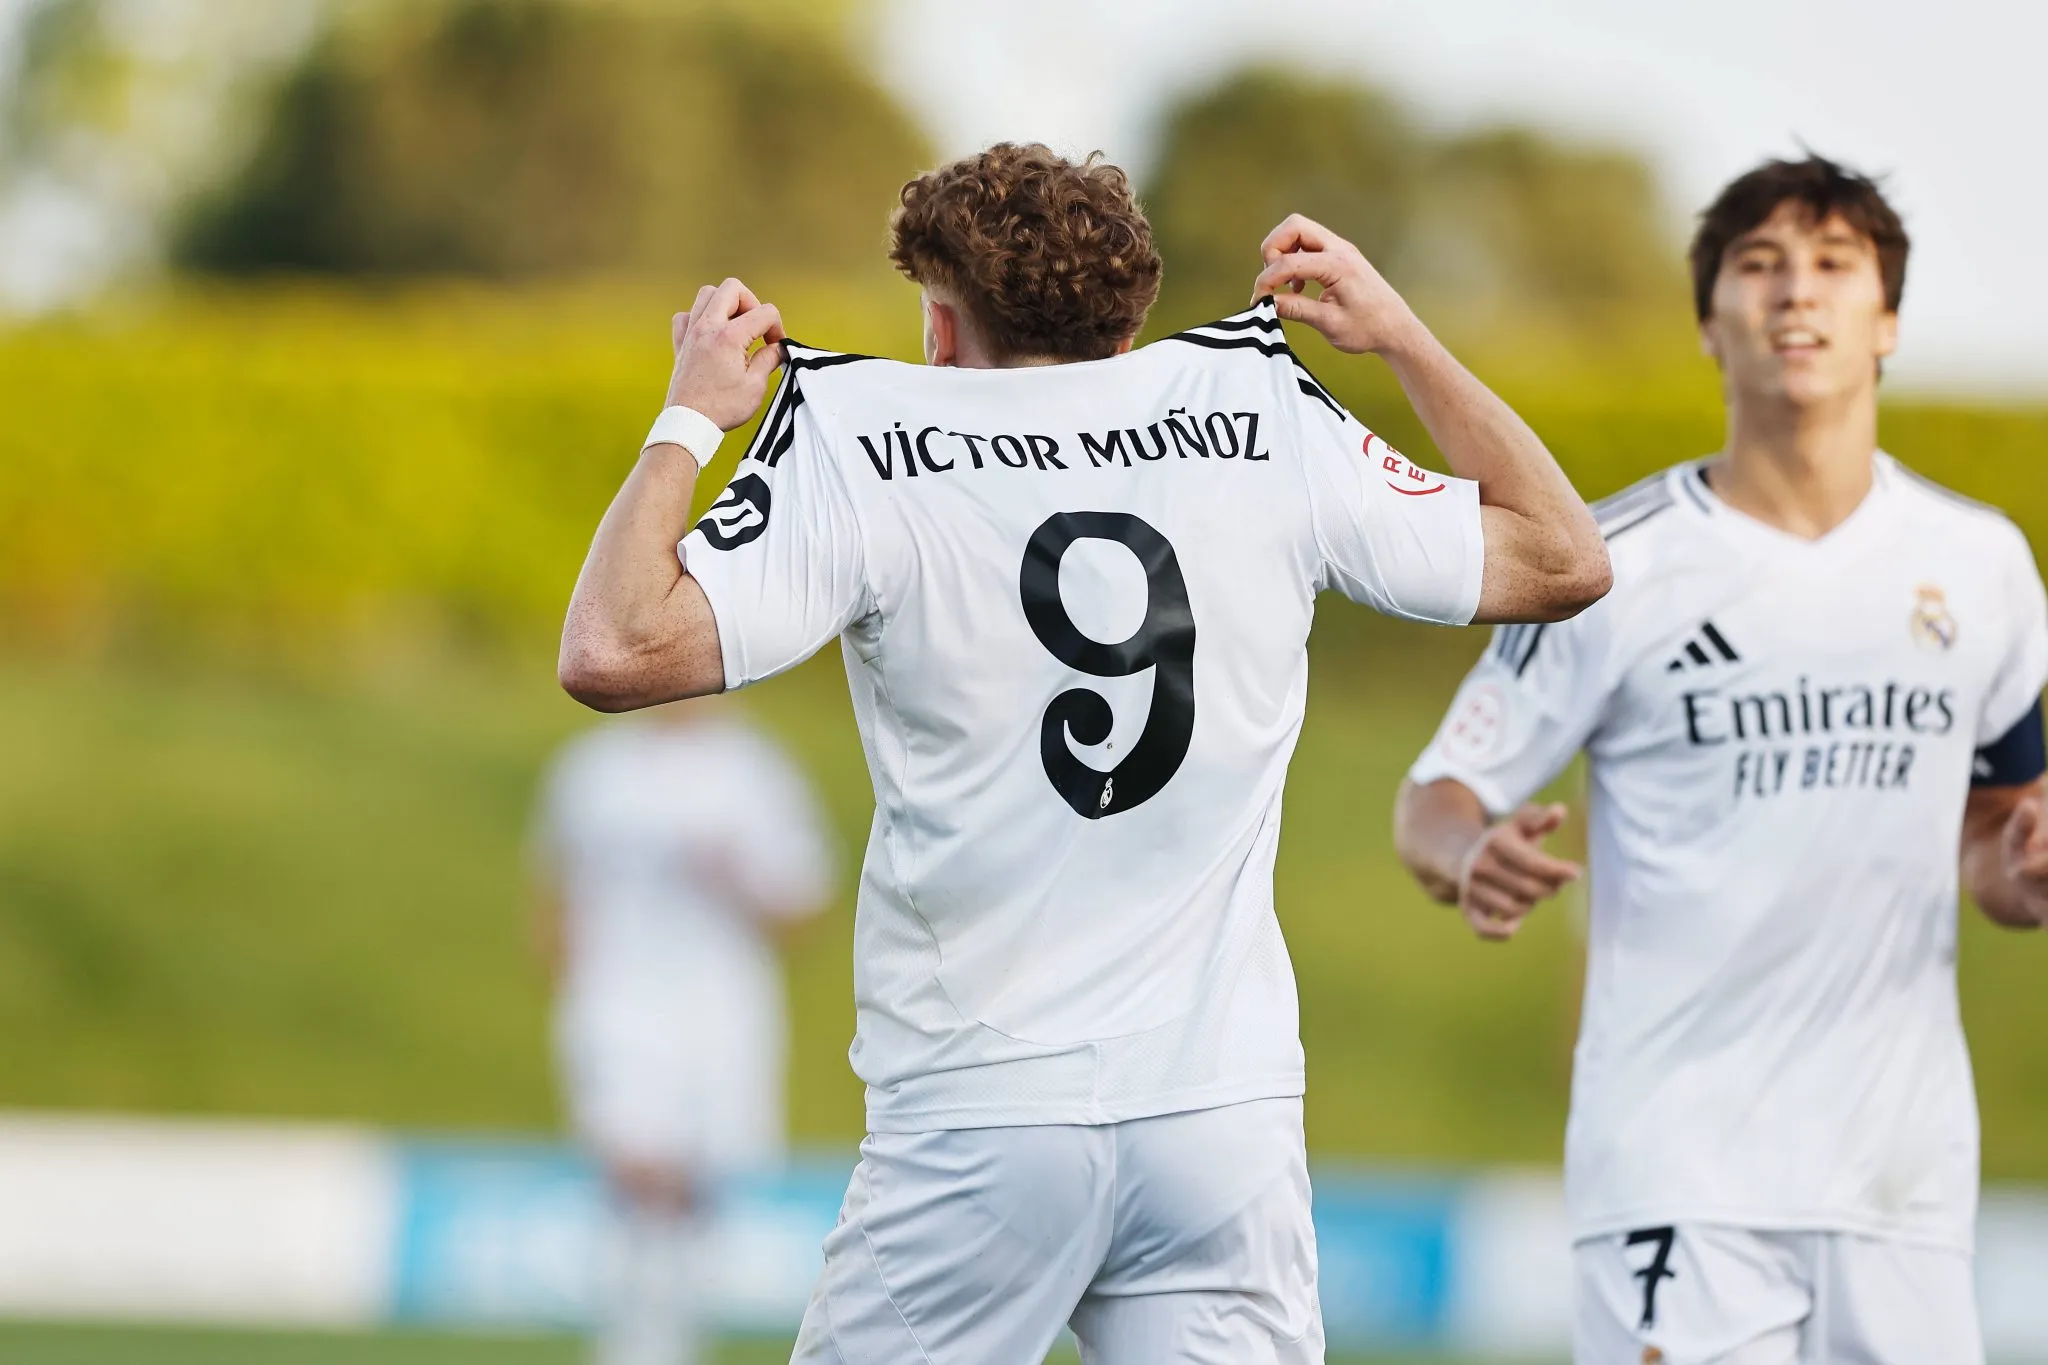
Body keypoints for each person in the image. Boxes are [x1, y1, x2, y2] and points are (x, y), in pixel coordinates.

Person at [559, 142, 1610, 1364]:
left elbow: (613, 648)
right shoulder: (1257, 410)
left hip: (981, 1116)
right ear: (1124, 332)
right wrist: (1402, 338)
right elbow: (1562, 558)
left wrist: (689, 414)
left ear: (940, 328)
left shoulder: (865, 438)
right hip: (1218, 1123)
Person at [1395, 155, 2048, 1363]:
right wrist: (1467, 854)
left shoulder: (1982, 563)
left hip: (1900, 1191)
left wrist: (2023, 868)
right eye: (1757, 265)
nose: (1794, 291)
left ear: (1886, 320)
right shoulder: (1610, 562)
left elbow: (1993, 840)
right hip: (1677, 1178)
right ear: (1709, 322)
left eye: (1832, 264)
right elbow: (1433, 798)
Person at [531, 698, 836, 1365]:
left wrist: (737, 878)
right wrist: (574, 995)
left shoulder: (756, 772)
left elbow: (801, 909)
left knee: (700, 1188)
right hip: (619, 1004)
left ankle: (669, 1337)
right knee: (637, 1171)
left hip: (720, 1011)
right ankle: (633, 1342)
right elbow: (557, 891)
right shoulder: (595, 769)